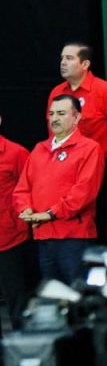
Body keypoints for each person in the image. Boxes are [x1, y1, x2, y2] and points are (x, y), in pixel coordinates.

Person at [14, 96, 104, 284]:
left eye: (61, 114)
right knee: (53, 294)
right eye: (51, 114)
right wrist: (25, 209)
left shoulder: (90, 148)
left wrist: (50, 214)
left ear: (77, 117)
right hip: (43, 237)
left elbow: (84, 192)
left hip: (73, 238)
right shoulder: (39, 149)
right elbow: (22, 188)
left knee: (77, 294)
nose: (54, 118)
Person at [51, 42, 107, 158]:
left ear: (85, 64)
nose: (63, 63)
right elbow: (52, 131)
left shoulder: (105, 90)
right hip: (66, 162)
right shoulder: (57, 92)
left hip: (102, 163)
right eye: (62, 58)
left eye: (69, 58)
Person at [0, 109, 34, 333]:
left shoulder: (15, 153)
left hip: (10, 237)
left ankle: (23, 350)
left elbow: (31, 190)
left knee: (17, 298)